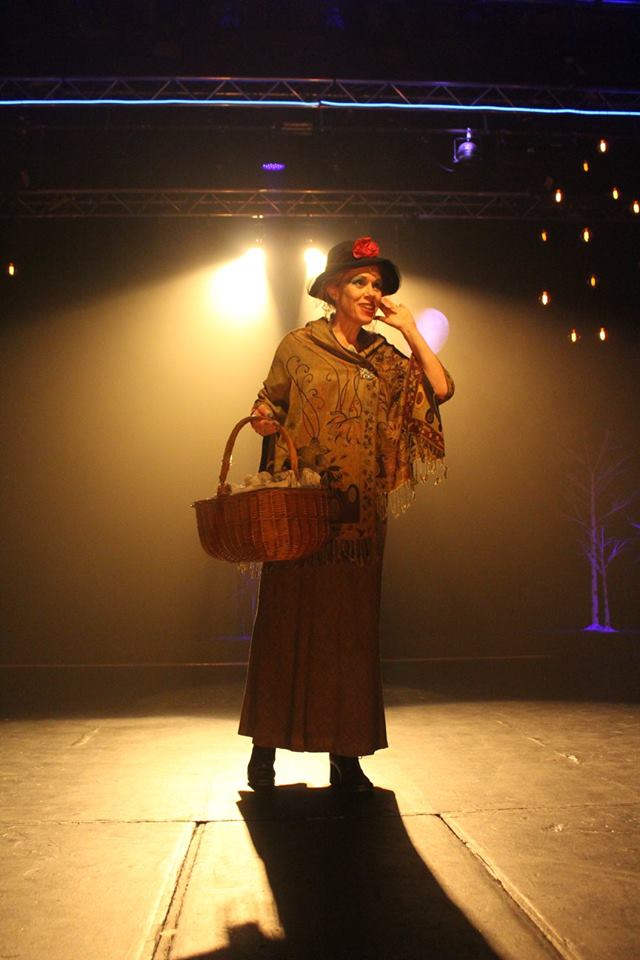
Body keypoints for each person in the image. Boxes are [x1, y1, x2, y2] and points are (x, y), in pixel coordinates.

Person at [238, 237, 454, 791]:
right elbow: (269, 404)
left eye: (377, 284)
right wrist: (263, 417)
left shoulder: (384, 357)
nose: (371, 292)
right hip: (303, 512)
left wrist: (410, 330)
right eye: (360, 281)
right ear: (333, 290)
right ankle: (264, 749)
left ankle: (346, 755)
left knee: (351, 633)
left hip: (359, 522)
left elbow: (440, 388)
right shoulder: (298, 346)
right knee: (286, 622)